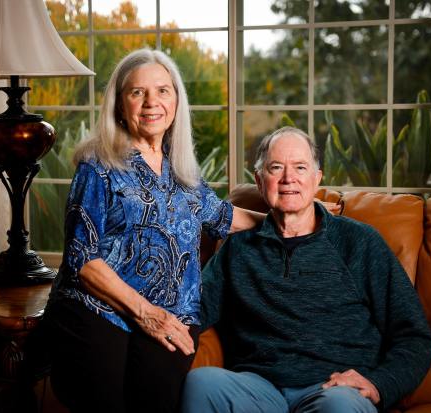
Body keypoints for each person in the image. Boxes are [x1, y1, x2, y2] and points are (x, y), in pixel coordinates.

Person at [42, 48, 269, 413]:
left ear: (176, 101)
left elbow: (222, 217)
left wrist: (287, 215)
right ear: (120, 104)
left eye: (163, 90)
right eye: (137, 92)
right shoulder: (97, 166)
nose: (152, 102)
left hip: (174, 314)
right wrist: (146, 313)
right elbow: (82, 261)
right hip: (100, 311)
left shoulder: (184, 172)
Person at [181, 127, 431, 413]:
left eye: (300, 167)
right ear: (259, 180)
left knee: (340, 407)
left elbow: (415, 337)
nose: (289, 178)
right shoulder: (238, 248)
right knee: (201, 383)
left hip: (332, 390)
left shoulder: (360, 242)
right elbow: (193, 310)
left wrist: (379, 383)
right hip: (258, 389)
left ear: (317, 179)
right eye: (276, 167)